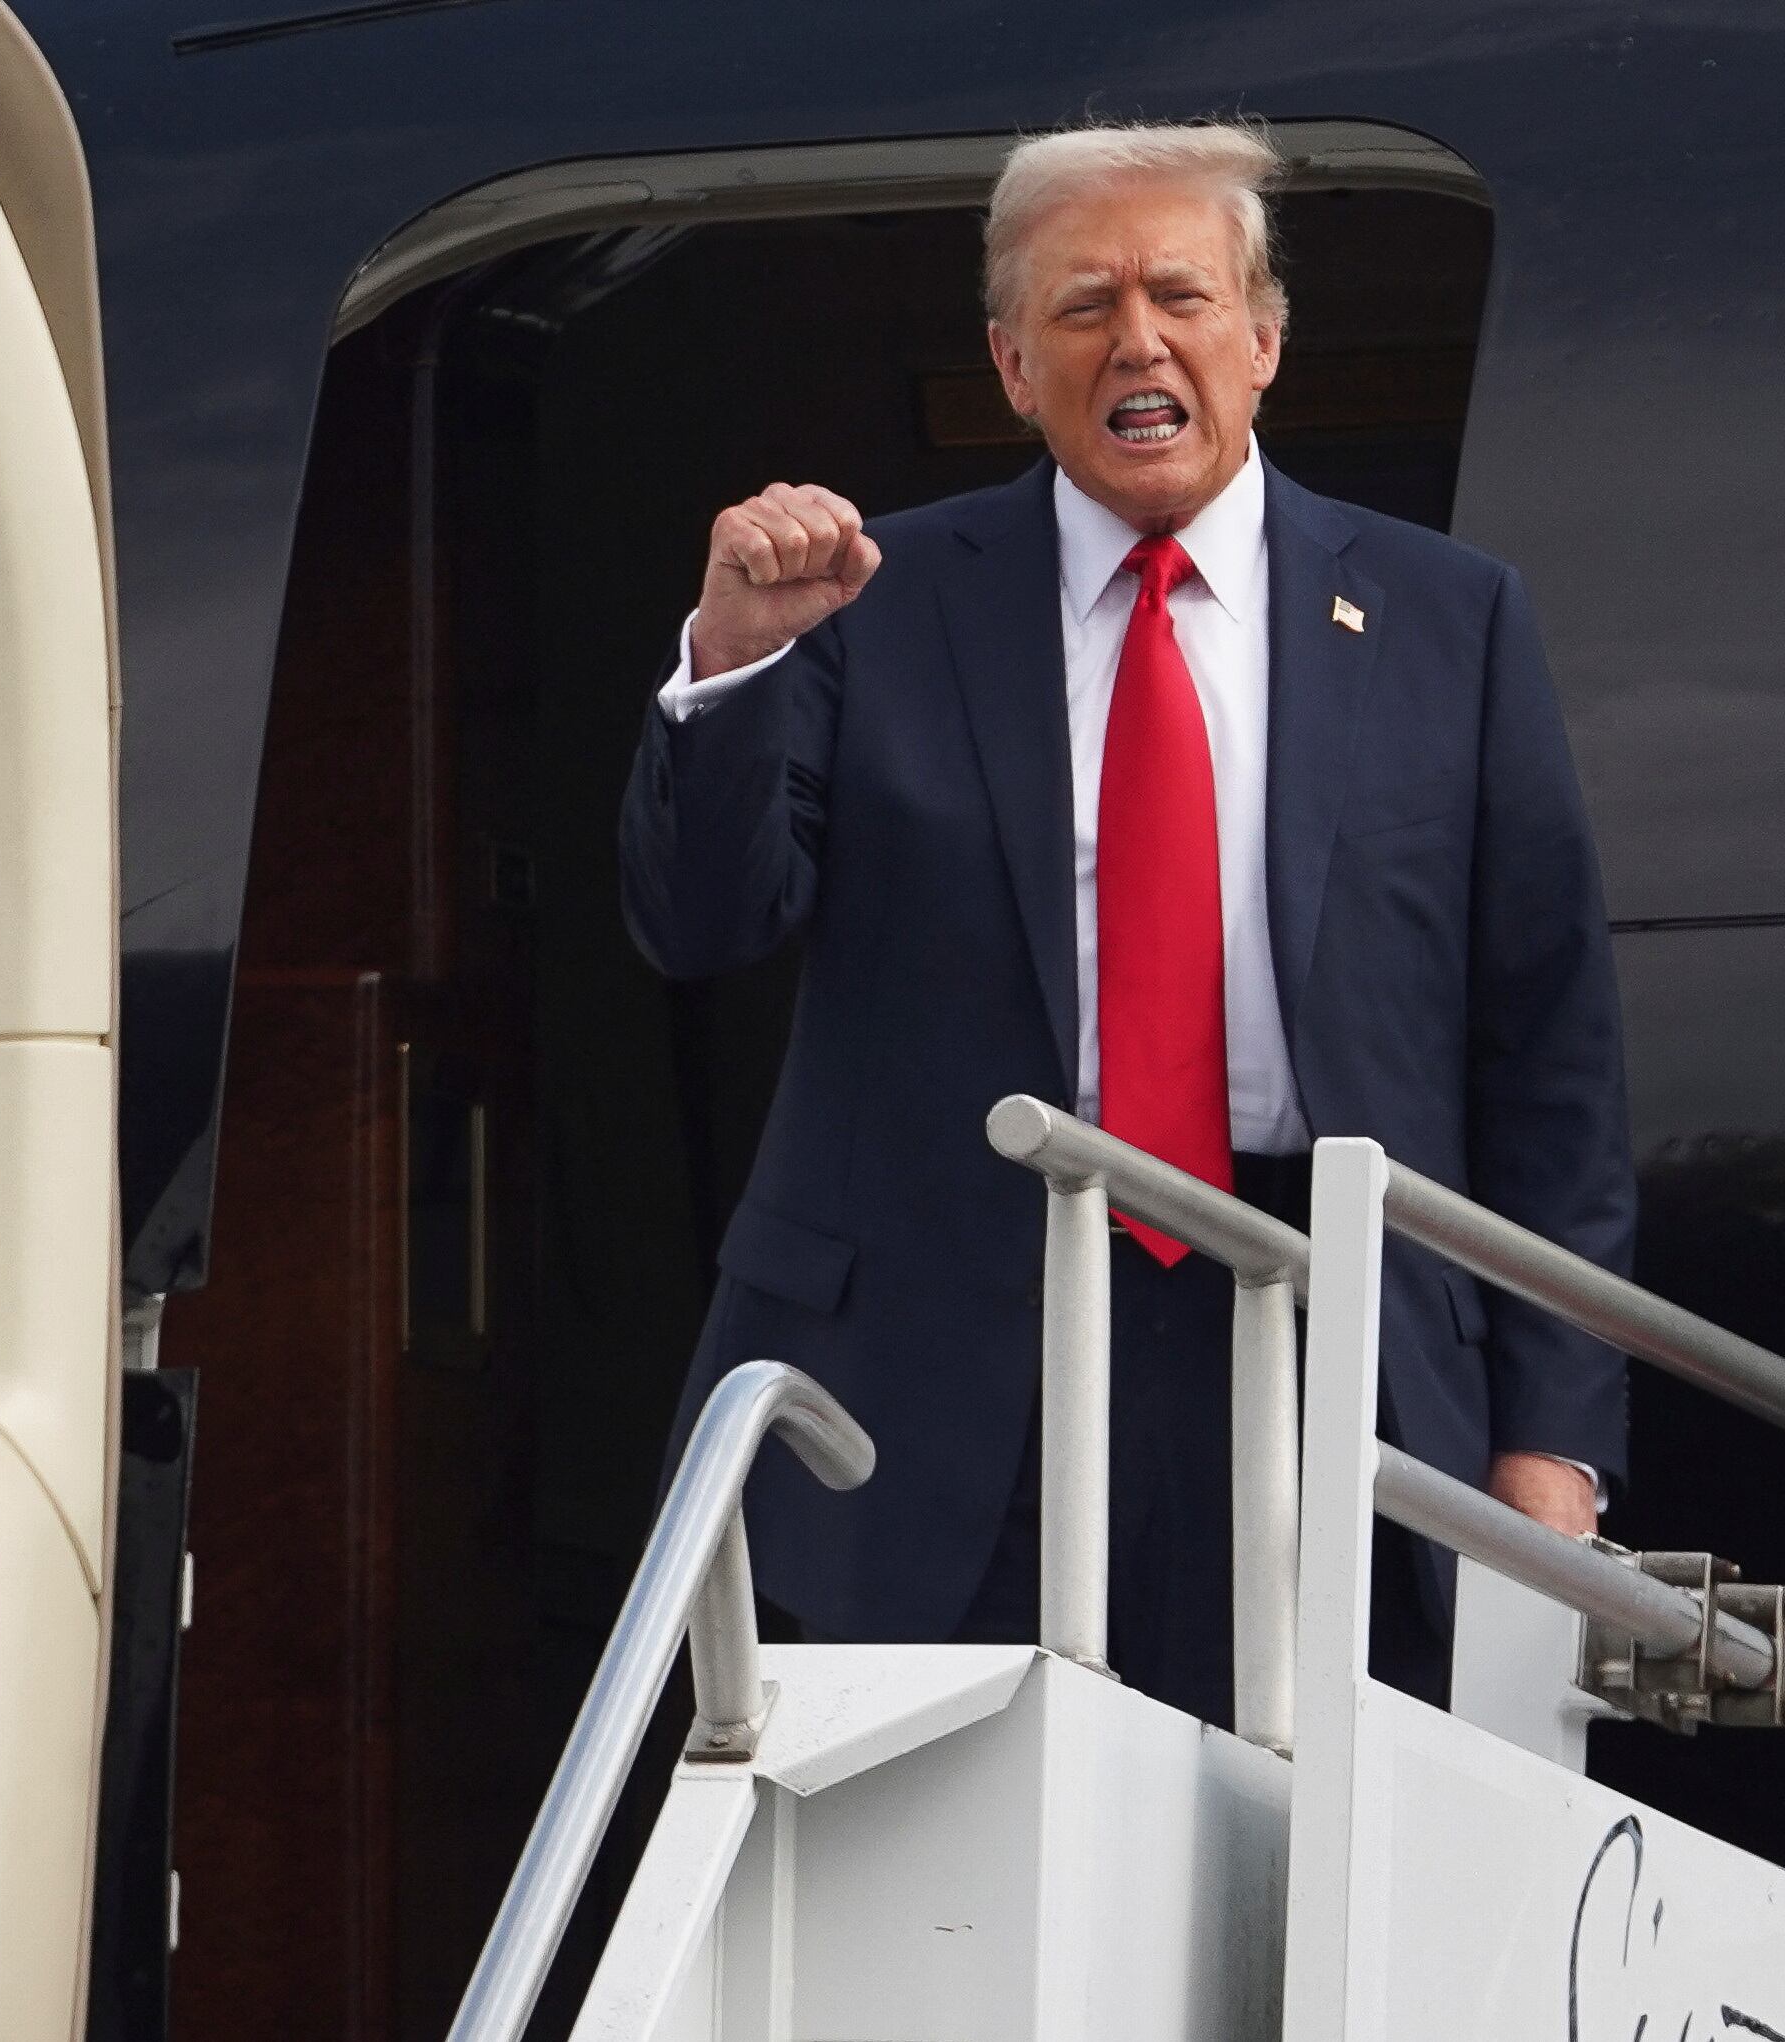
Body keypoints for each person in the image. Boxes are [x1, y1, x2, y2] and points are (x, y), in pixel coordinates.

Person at [618, 120, 1631, 1721]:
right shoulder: (875, 602)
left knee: (1311, 1921)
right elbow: (697, 923)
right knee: (953, 1931)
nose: (1138, 339)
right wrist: (733, 657)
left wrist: (1553, 1443)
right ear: (1015, 365)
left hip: (1329, 1355)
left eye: (1181, 294)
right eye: (1084, 308)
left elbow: (1550, 1055)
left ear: (1264, 341)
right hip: (949, 1374)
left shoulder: (1453, 620)